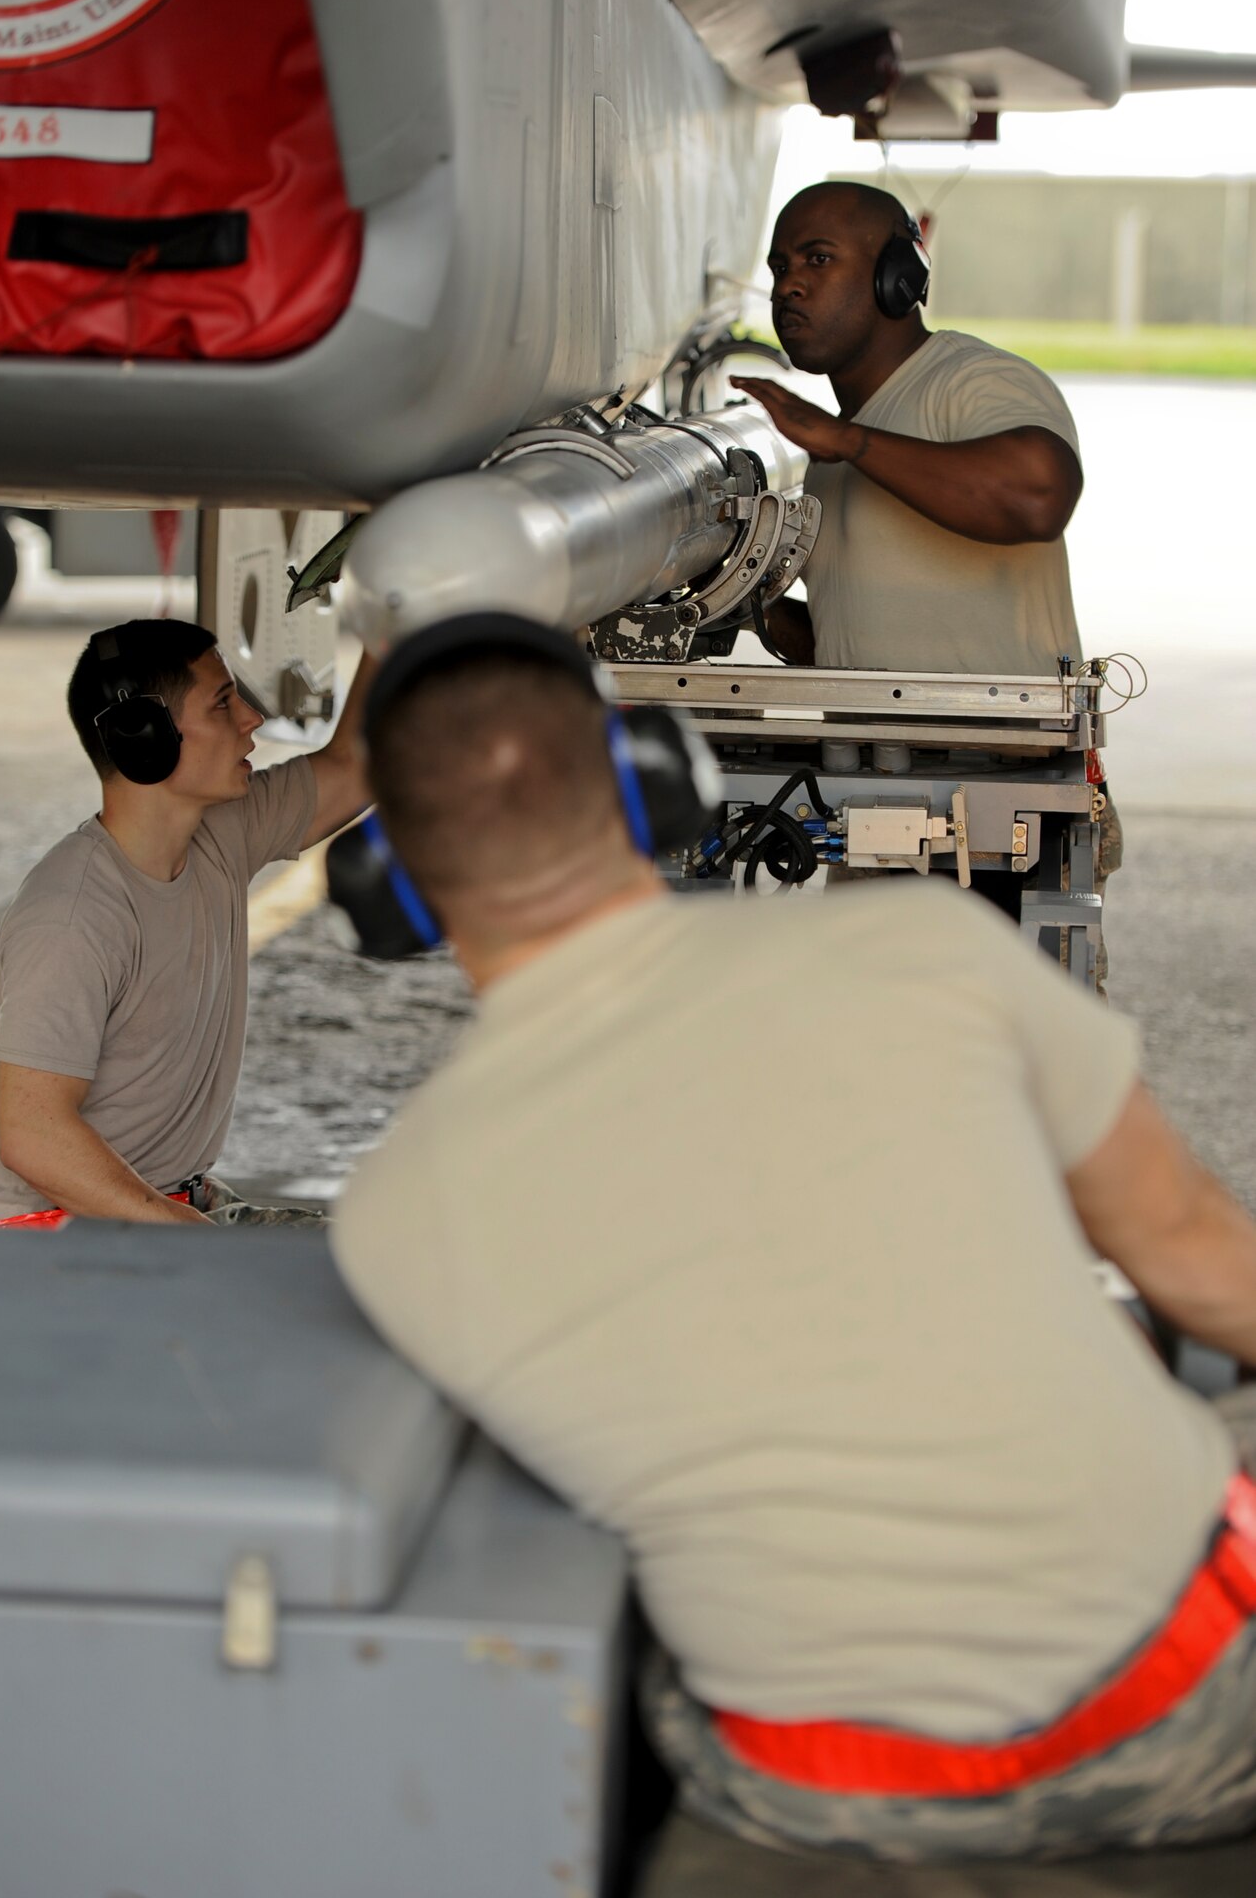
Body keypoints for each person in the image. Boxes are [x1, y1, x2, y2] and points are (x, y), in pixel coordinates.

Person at [332, 613, 1256, 1864]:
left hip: (820, 1787)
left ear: (388, 878)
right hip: (1182, 1701)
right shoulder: (927, 946)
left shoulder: (391, 1218)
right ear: (654, 774)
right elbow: (1195, 1255)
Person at [0, 618, 373, 1229]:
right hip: (57, 1242)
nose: (252, 719)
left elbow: (358, 764)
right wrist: (202, 1247)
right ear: (144, 737)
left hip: (163, 1209)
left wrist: (396, 618)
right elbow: (34, 1138)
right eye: (223, 703)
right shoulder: (72, 915)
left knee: (387, 1260)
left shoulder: (221, 834)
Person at [730, 180, 1086, 679]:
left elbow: (1039, 497)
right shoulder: (836, 459)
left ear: (897, 273)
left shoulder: (973, 379)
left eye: (819, 259)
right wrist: (742, 603)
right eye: (780, 268)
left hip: (999, 734)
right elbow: (856, 647)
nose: (788, 287)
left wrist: (846, 441)